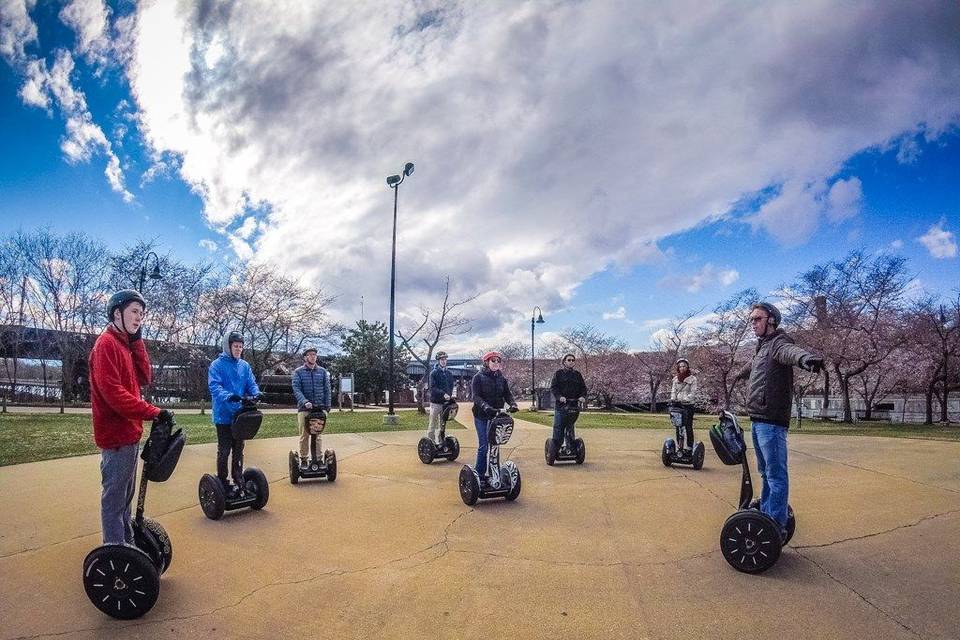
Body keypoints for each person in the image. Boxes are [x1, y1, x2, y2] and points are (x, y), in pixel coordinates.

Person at [735, 301, 823, 540]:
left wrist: (806, 359)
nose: (753, 323)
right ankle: (767, 514)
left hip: (771, 421)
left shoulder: (778, 343)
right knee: (765, 473)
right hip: (758, 418)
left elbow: (790, 353)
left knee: (775, 475)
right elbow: (752, 366)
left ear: (771, 320)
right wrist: (739, 373)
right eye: (751, 319)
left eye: (758, 319)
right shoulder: (762, 348)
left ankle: (774, 527)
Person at [89, 289, 170, 545]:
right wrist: (153, 411)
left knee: (125, 499)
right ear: (116, 313)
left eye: (142, 314)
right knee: (114, 502)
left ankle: (127, 546)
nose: (139, 318)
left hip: (130, 435)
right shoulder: (106, 345)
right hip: (115, 437)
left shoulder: (124, 345)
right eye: (134, 311)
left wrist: (137, 341)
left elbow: (145, 377)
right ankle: (114, 551)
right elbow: (114, 395)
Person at [208, 331, 260, 496]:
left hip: (240, 415)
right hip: (223, 415)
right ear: (228, 346)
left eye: (241, 346)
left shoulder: (244, 366)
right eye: (236, 346)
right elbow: (215, 387)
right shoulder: (217, 365)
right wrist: (229, 396)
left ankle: (239, 479)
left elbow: (251, 383)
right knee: (224, 450)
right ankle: (223, 481)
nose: (239, 349)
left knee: (239, 449)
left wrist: (256, 394)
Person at [471, 351, 518, 480]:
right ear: (486, 363)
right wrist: (486, 407)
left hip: (496, 415)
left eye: (498, 361)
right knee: (484, 445)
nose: (496, 363)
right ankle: (479, 476)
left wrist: (513, 404)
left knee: (495, 444)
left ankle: (494, 474)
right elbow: (475, 396)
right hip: (481, 415)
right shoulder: (478, 377)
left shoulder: (501, 378)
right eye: (493, 361)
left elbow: (507, 394)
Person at [292, 346, 331, 466]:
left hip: (319, 408)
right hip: (305, 409)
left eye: (314, 355)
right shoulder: (298, 372)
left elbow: (327, 390)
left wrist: (327, 407)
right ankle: (304, 459)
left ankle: (318, 459)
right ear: (305, 357)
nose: (313, 357)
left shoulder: (322, 372)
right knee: (304, 435)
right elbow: (296, 389)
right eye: (310, 355)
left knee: (317, 434)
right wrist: (304, 401)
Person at [549, 352, 587, 449]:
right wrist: (559, 397)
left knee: (570, 427)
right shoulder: (558, 374)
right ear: (564, 362)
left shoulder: (577, 375)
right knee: (558, 427)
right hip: (561, 406)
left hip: (573, 405)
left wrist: (582, 396)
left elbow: (583, 388)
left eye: (573, 360)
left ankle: (571, 447)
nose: (571, 362)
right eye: (569, 360)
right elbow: (554, 387)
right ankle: (556, 448)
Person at [669, 358, 698, 454]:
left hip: (688, 405)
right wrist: (673, 398)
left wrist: (686, 399)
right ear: (678, 367)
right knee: (678, 426)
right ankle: (679, 446)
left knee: (688, 426)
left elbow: (693, 392)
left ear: (687, 367)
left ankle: (689, 447)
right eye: (680, 366)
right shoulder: (675, 379)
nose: (682, 368)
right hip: (677, 405)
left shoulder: (692, 379)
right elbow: (673, 390)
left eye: (684, 366)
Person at [427, 351, 455, 444]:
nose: (443, 361)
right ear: (438, 361)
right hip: (435, 403)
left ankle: (441, 442)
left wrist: (449, 396)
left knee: (442, 424)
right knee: (432, 424)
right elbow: (432, 388)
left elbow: (451, 387)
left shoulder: (449, 373)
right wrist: (443, 394)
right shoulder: (434, 373)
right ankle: (431, 443)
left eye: (445, 359)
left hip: (445, 404)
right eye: (441, 359)